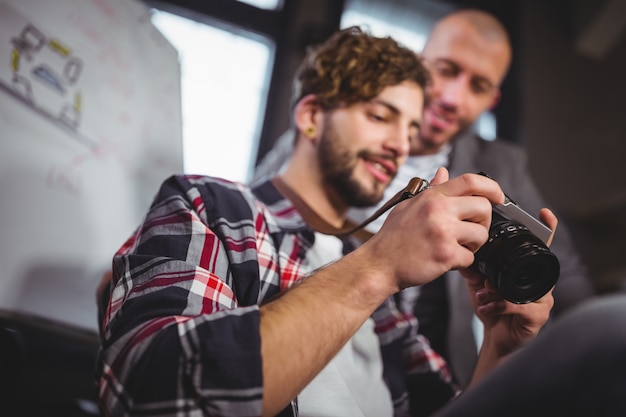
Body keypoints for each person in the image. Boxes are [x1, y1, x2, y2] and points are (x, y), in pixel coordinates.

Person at [97, 27, 557, 417]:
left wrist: (499, 346)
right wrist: (379, 266)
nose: (400, 145)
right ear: (313, 115)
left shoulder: (385, 303)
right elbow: (152, 394)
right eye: (381, 116)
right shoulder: (210, 206)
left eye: (411, 131)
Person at [252, 8, 595, 388]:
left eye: (477, 86)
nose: (452, 98)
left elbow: (567, 274)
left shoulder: (500, 164)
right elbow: (254, 217)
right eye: (447, 69)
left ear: (492, 100)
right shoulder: (319, 148)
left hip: (412, 362)